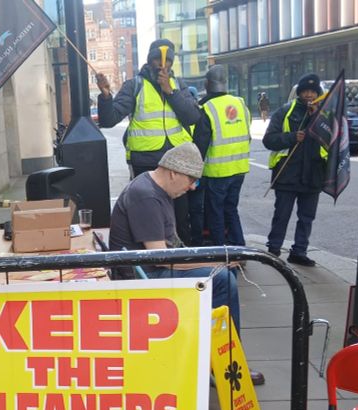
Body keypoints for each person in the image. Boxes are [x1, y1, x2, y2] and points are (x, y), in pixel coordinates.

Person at [109, 143, 241, 330]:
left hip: (149, 268)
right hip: (143, 275)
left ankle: (214, 342)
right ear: (174, 173)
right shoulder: (146, 196)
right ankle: (220, 346)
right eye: (192, 179)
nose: (193, 187)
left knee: (226, 272)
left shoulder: (155, 188)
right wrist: (213, 262)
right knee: (222, 279)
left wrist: (216, 258)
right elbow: (161, 257)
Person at [95, 39, 202, 246]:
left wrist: (170, 92)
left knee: (179, 219)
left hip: (177, 166)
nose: (162, 65)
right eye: (157, 60)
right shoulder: (136, 85)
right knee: (148, 214)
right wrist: (106, 95)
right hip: (146, 162)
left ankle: (182, 262)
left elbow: (192, 117)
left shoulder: (178, 85)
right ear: (149, 60)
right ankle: (153, 260)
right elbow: (109, 119)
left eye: (168, 62)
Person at [263, 73, 328, 267]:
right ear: (299, 93)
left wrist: (318, 116)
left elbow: (334, 141)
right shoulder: (285, 111)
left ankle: (299, 251)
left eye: (313, 91)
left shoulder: (324, 115)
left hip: (313, 175)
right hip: (287, 174)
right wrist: (292, 137)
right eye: (305, 91)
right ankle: (273, 250)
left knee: (306, 217)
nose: (309, 95)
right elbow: (269, 140)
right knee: (281, 215)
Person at [196, 65, 251, 246]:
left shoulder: (206, 107)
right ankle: (239, 247)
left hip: (217, 172)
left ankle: (221, 250)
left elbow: (200, 146)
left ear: (206, 83)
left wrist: (193, 173)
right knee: (231, 210)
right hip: (239, 169)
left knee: (216, 213)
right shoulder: (240, 103)